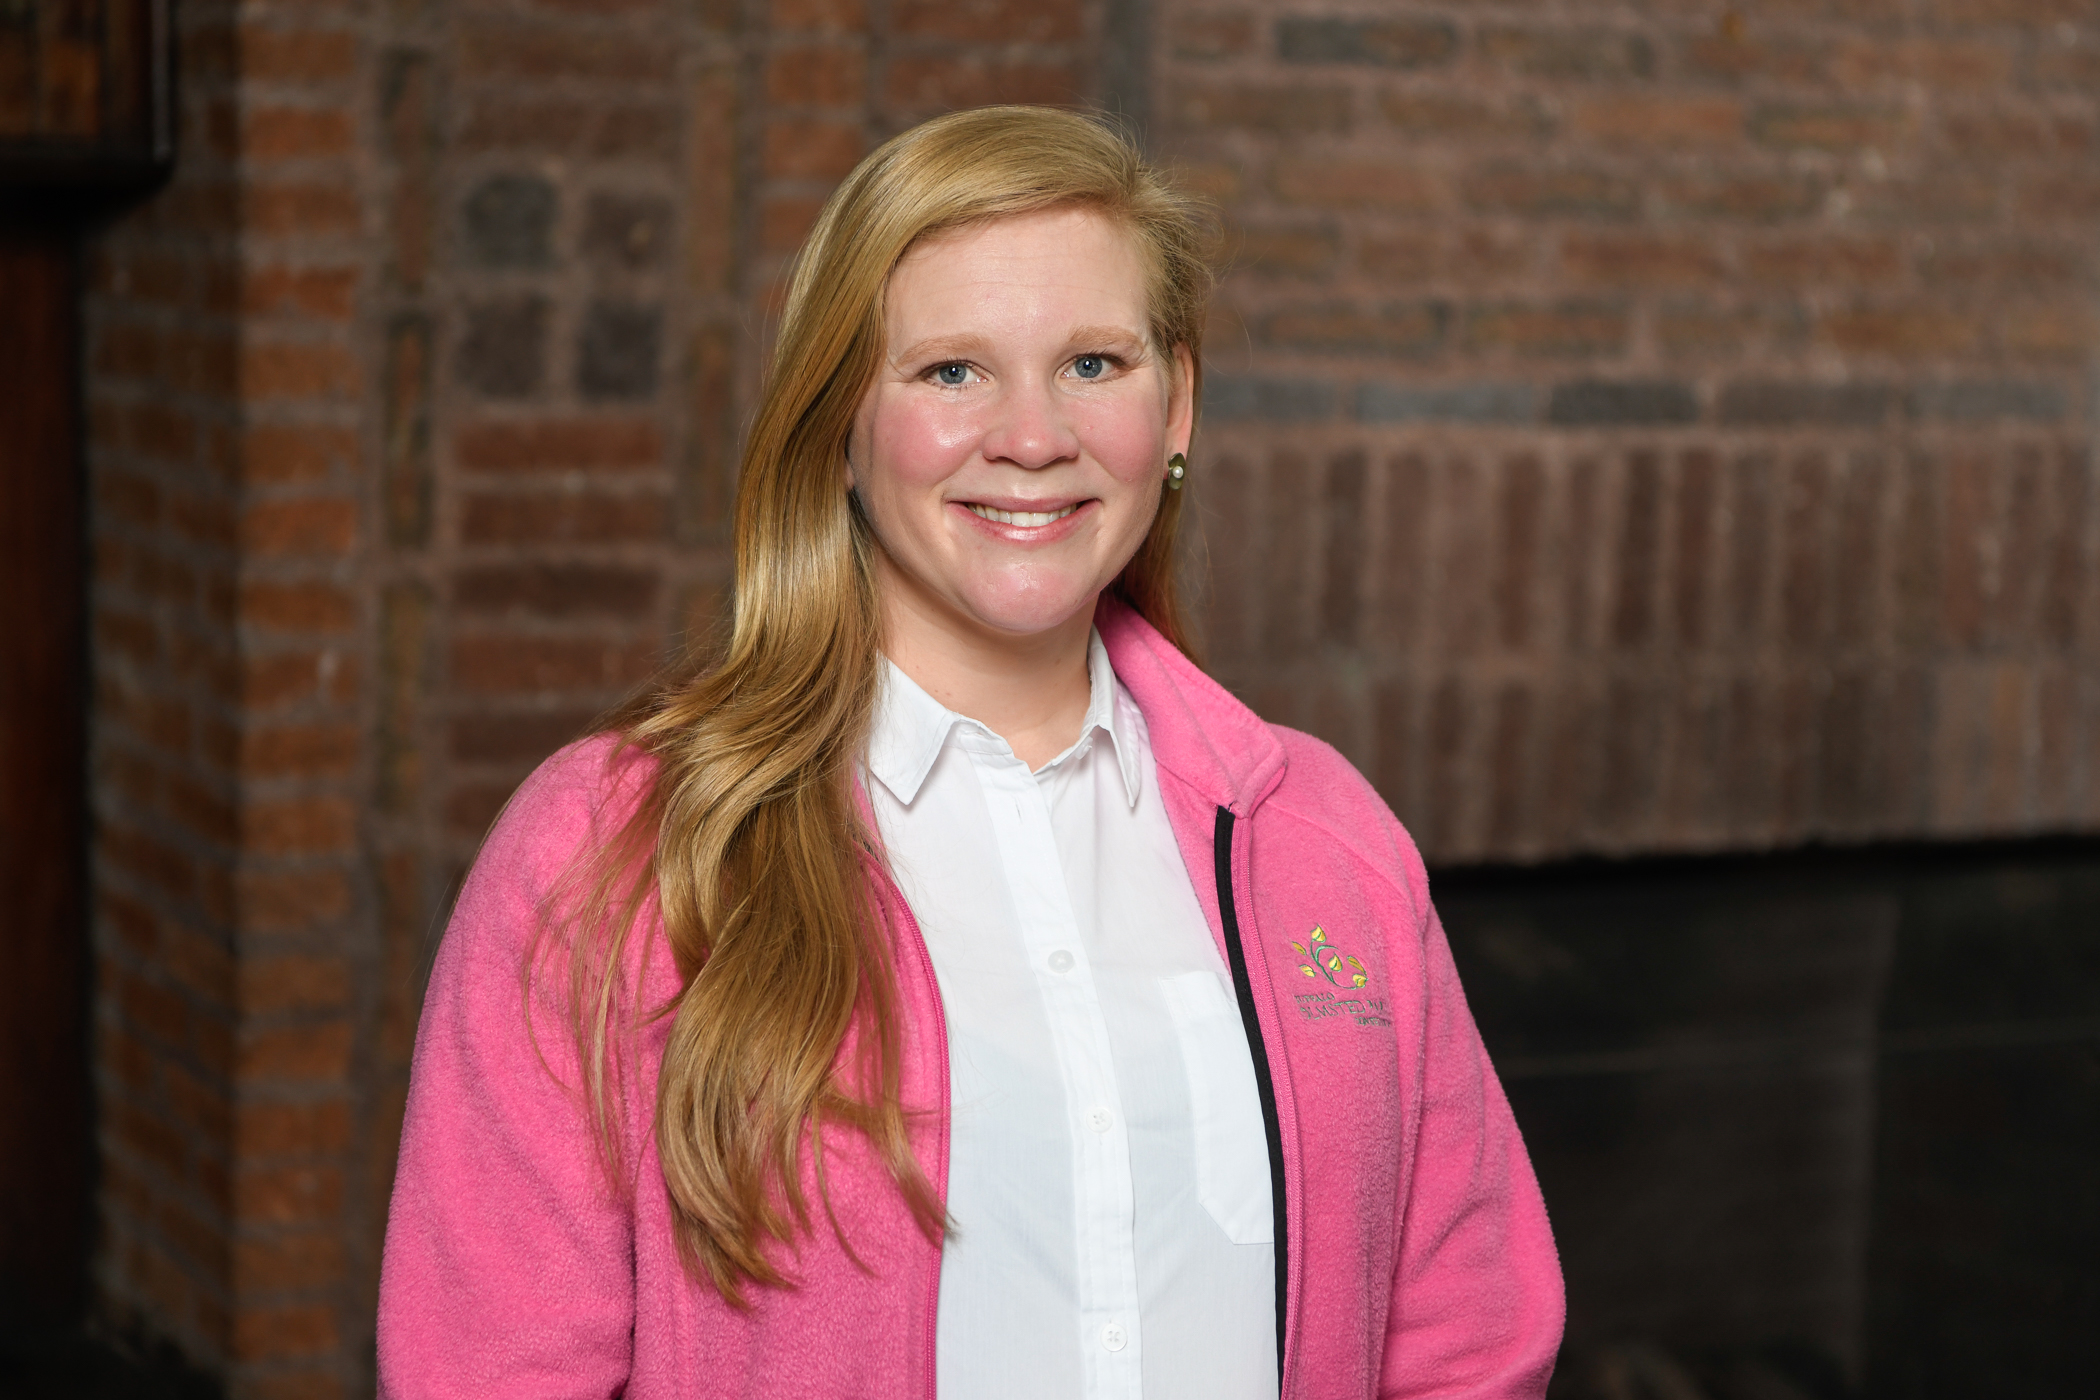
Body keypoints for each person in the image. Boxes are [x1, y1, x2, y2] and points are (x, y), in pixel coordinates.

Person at [377, 105, 1563, 1399]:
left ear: (1178, 408)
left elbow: (1469, 1340)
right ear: (840, 425)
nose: (1033, 436)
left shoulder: (1324, 842)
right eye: (952, 371)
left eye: (1095, 365)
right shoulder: (613, 853)